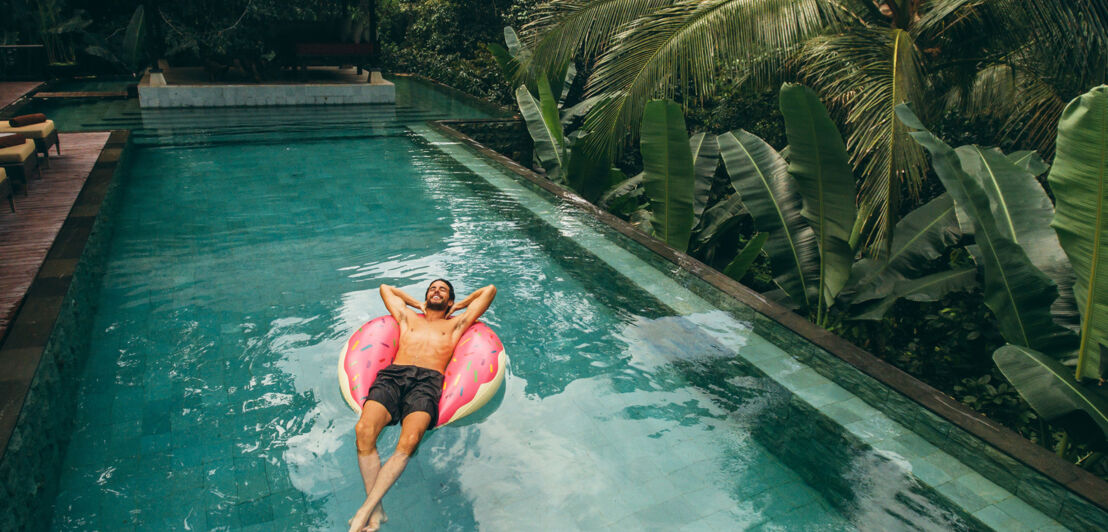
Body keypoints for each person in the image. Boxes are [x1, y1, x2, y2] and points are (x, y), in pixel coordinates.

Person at [347, 279, 497, 532]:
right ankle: (378, 511)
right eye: (432, 288)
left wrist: (459, 305)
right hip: (393, 376)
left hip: (427, 382)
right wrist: (417, 303)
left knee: (409, 441)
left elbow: (489, 291)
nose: (436, 291)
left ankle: (365, 511)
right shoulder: (406, 317)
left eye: (443, 290)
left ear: (449, 301)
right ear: (426, 296)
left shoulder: (456, 324)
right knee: (363, 431)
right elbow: (386, 289)